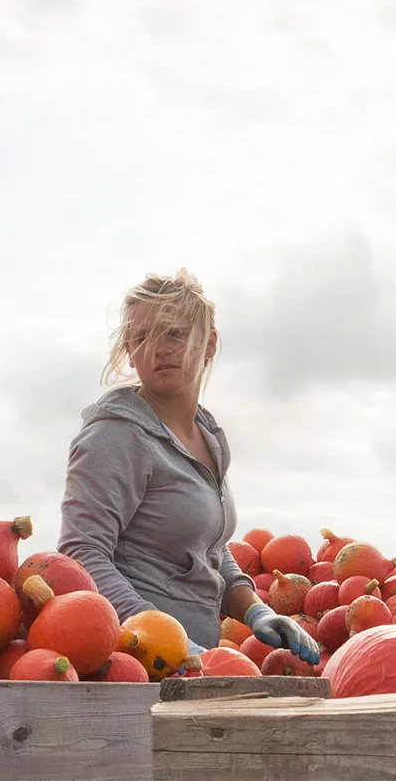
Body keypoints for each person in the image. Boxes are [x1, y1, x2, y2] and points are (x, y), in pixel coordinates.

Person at [58, 269, 322, 665]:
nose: (158, 348)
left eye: (174, 333)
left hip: (194, 664)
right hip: (134, 662)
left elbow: (207, 546)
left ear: (210, 343)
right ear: (130, 352)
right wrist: (156, 634)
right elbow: (81, 553)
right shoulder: (116, 436)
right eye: (142, 337)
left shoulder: (206, 435)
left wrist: (255, 609)